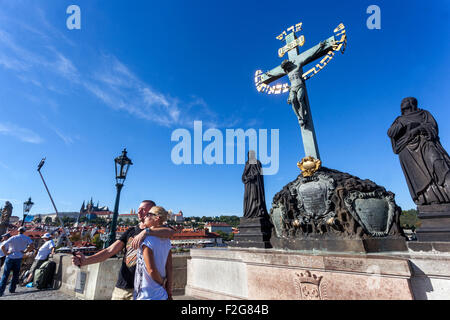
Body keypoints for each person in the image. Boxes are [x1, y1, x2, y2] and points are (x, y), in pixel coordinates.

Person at [72, 200, 175, 300]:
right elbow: (109, 251)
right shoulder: (130, 231)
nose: (139, 212)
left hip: (142, 290)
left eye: (144, 210)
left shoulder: (161, 233)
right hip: (122, 286)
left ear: (152, 213)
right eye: (139, 209)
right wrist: (86, 261)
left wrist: (145, 232)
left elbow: (171, 231)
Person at [388, 97, 450, 205]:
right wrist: (402, 124)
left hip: (425, 144)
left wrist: (418, 128)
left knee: (438, 164)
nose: (403, 102)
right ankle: (431, 199)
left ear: (412, 103)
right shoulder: (399, 119)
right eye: (402, 101)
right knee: (420, 178)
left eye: (406, 100)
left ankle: (447, 192)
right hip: (407, 150)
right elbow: (391, 133)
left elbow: (433, 127)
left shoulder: (424, 114)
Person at [134, 206, 172, 300]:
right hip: (162, 294)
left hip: (147, 294)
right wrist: (168, 290)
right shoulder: (167, 241)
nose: (145, 217)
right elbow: (169, 267)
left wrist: (162, 283)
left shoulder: (147, 240)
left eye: (148, 215)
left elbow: (151, 270)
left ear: (157, 218)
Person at [0, 227, 34, 296]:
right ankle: (12, 289)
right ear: (24, 231)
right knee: (15, 274)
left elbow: (2, 246)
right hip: (19, 257)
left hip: (10, 257)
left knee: (5, 275)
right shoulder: (27, 238)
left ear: (18, 231)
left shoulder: (13, 237)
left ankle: (1, 291)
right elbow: (32, 246)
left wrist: (6, 253)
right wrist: (25, 251)